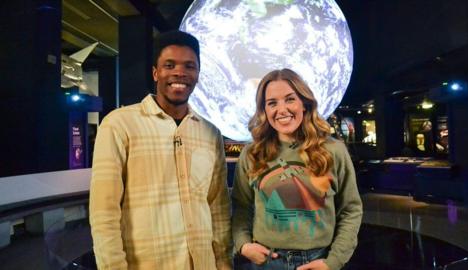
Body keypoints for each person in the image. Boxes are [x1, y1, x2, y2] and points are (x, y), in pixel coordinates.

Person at [89, 30, 232, 269]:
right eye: (169, 65)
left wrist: (224, 263)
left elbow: (217, 206)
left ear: (197, 74)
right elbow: (104, 213)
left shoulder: (210, 133)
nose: (180, 72)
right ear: (156, 73)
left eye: (189, 66)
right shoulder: (119, 124)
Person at [232, 68, 363, 270]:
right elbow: (241, 207)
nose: (282, 109)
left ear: (304, 103)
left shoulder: (333, 150)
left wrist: (333, 262)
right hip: (267, 261)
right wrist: (243, 245)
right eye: (272, 103)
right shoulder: (251, 153)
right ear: (264, 110)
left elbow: (351, 210)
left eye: (290, 99)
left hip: (320, 260)